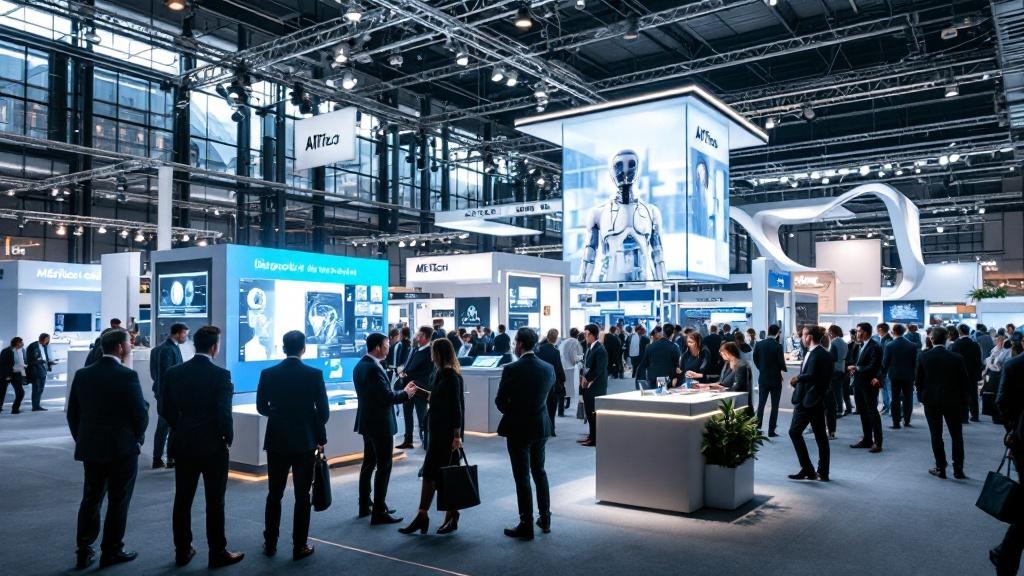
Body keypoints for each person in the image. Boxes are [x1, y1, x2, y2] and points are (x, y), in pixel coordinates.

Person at [161, 326, 244, 568]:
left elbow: (165, 410)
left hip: (184, 443)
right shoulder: (221, 375)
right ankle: (217, 552)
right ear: (215, 347)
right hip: (213, 447)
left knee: (182, 500)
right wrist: (227, 438)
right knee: (215, 501)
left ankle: (182, 550)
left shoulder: (174, 373)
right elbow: (223, 415)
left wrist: (182, 427)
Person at [67, 328, 148, 569]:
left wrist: (83, 438)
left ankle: (84, 550)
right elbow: (140, 415)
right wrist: (137, 438)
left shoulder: (83, 374)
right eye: (129, 343)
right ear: (121, 348)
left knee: (91, 499)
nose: (131, 347)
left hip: (91, 447)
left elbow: (73, 414)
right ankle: (112, 550)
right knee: (118, 500)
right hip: (122, 448)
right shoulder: (127, 376)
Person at [256, 330, 329, 561]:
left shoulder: (268, 373)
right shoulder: (314, 374)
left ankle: (270, 543)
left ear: (283, 347)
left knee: (273, 494)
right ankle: (299, 546)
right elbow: (323, 412)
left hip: (277, 439)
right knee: (302, 496)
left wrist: (278, 416)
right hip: (304, 441)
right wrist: (311, 424)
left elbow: (261, 407)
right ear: (303, 348)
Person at [399, 338, 464, 536]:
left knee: (438, 475)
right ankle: (429, 515)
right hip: (436, 432)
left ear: (438, 353)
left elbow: (456, 408)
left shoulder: (451, 376)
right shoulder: (440, 374)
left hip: (446, 435)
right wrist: (417, 391)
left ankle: (434, 515)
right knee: (435, 474)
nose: (430, 355)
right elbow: (436, 398)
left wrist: (456, 436)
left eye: (432, 351)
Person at [496, 328, 555, 540]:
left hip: (518, 428)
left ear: (519, 344)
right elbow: (547, 396)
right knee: (539, 472)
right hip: (541, 426)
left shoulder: (512, 368)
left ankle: (526, 523)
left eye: (515, 342)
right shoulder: (548, 368)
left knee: (522, 477)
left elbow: (500, 401)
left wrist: (515, 411)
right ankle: (545, 518)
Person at [355, 333, 417, 526]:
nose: (389, 348)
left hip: (367, 422)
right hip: (379, 424)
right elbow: (387, 397)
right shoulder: (374, 369)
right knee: (383, 467)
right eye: (387, 345)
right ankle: (379, 510)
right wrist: (406, 393)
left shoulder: (360, 365)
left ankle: (366, 504)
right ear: (377, 347)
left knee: (368, 464)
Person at [915, 327, 970, 480]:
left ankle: (941, 467)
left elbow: (918, 381)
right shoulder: (957, 358)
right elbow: (964, 382)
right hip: (953, 401)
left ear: (931, 339)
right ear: (946, 339)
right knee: (956, 435)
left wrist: (922, 397)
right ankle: (958, 469)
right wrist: (964, 402)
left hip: (931, 401)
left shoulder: (923, 356)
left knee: (936, 434)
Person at [992, 329, 1024, 574]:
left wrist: (1013, 429)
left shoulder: (1014, 365)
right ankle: (1005, 553)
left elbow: (1002, 403)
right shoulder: (1014, 365)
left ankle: (1005, 553)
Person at [787, 325, 833, 481]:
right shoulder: (814, 353)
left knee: (795, 432)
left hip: (810, 401)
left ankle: (810, 470)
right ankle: (819, 471)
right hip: (811, 400)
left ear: (809, 337)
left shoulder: (821, 354)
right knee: (820, 436)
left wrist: (798, 379)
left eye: (803, 335)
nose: (801, 338)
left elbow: (816, 377)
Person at [150, 323, 189, 469]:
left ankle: (160, 457)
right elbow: (168, 375)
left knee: (164, 426)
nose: (186, 337)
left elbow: (155, 374)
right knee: (169, 426)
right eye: (185, 334)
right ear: (177, 333)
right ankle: (168, 458)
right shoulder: (169, 349)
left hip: (162, 393)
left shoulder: (158, 349)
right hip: (169, 395)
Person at [397, 327, 434, 450]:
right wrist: (404, 373)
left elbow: (426, 373)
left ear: (424, 337)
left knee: (421, 416)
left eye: (418, 335)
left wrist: (409, 375)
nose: (416, 337)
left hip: (420, 389)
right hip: (408, 388)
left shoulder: (430, 352)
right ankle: (408, 440)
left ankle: (425, 441)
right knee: (407, 414)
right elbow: (409, 366)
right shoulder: (415, 350)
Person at [849, 322, 883, 452]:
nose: (857, 333)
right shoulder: (860, 345)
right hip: (859, 383)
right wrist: (854, 368)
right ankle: (867, 439)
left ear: (866, 332)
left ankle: (878, 442)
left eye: (859, 331)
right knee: (863, 412)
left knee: (872, 412)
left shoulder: (875, 346)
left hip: (869, 384)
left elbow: (874, 366)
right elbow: (858, 362)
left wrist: (857, 368)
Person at [876, 324, 919, 429]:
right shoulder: (912, 345)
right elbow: (915, 364)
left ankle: (896, 422)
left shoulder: (890, 345)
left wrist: (881, 375)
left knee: (894, 399)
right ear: (904, 332)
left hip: (894, 376)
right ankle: (907, 421)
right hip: (908, 376)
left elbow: (885, 363)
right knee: (908, 398)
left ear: (893, 332)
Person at [753, 324, 787, 437]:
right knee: (775, 406)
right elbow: (781, 362)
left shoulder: (759, 344)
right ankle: (771, 431)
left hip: (763, 378)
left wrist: (762, 369)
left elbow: (755, 359)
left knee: (761, 404)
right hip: (775, 378)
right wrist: (782, 369)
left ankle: (757, 429)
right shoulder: (778, 346)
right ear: (777, 333)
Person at [579, 324, 608, 447]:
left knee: (594, 413)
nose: (585, 336)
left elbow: (599, 369)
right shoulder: (591, 348)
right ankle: (591, 436)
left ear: (592, 335)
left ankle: (594, 439)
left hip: (595, 386)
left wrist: (587, 379)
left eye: (587, 334)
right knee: (590, 412)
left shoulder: (600, 349)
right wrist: (583, 377)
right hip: (588, 385)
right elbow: (587, 365)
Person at [535, 330, 566, 436]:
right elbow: (558, 368)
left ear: (547, 337)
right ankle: (551, 429)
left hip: (540, 382)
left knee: (541, 406)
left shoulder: (538, 349)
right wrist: (562, 379)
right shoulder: (555, 351)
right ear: (556, 339)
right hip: (552, 383)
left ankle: (541, 428)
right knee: (552, 407)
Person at [951, 323, 983, 423]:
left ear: (960, 331)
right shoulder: (975, 344)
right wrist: (978, 374)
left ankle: (963, 417)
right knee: (973, 395)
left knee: (962, 395)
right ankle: (975, 415)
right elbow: (978, 361)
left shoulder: (956, 344)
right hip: (972, 374)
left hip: (960, 374)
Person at [708, 342, 752, 408]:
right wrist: (710, 386)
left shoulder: (741, 366)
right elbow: (724, 381)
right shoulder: (727, 364)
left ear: (728, 353)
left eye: (722, 354)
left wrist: (723, 390)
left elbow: (738, 387)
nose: (721, 356)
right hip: (729, 398)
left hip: (739, 401)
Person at [25, 333, 55, 411]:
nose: (47, 341)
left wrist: (49, 363)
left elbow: (45, 357)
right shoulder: (33, 346)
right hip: (36, 371)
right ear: (42, 338)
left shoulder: (45, 346)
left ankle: (37, 405)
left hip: (42, 370)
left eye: (48, 339)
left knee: (40, 389)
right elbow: (30, 360)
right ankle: (35, 406)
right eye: (46, 339)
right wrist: (40, 361)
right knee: (36, 389)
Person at [827, 325, 848, 434]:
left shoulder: (834, 343)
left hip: (835, 368)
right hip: (842, 367)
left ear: (832, 332)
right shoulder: (844, 342)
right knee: (839, 390)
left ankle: (838, 410)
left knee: (835, 391)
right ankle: (840, 408)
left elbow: (832, 357)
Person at [0, 337, 26, 414]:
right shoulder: (6, 351)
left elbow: (21, 363)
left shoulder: (21, 351)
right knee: (2, 392)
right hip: (7, 374)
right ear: (17, 342)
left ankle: (15, 409)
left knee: (20, 392)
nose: (22, 343)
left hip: (17, 374)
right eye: (21, 342)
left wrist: (24, 374)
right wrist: (7, 375)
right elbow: (3, 364)